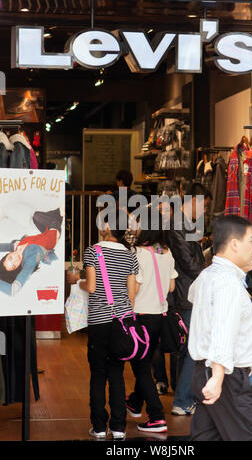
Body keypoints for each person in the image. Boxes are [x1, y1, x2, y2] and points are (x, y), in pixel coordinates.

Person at [188, 214, 252, 441]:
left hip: (205, 371)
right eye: (251, 240)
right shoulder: (227, 283)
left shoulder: (207, 275)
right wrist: (219, 375)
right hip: (226, 377)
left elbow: (193, 297)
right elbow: (223, 328)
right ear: (234, 244)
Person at [68, 209, 139, 440]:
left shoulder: (92, 251)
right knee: (117, 373)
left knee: (98, 373)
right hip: (123, 320)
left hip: (99, 321)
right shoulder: (130, 255)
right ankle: (118, 428)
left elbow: (91, 287)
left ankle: (99, 427)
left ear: (108, 227)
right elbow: (131, 294)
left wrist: (76, 281)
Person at [126, 207, 178, 433]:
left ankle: (156, 416)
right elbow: (171, 286)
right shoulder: (165, 251)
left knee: (140, 368)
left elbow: (133, 290)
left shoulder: (137, 253)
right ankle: (135, 402)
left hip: (140, 317)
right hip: (159, 317)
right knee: (144, 363)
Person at [165, 183, 210, 415]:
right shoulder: (176, 225)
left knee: (187, 349)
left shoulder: (184, 224)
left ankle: (184, 397)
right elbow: (188, 262)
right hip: (186, 293)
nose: (203, 212)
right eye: (203, 206)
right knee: (194, 348)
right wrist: (209, 273)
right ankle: (182, 399)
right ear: (194, 200)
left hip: (188, 292)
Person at [0, 208, 63, 296]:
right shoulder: (30, 260)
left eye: (10, 258)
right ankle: (60, 214)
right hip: (54, 232)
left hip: (45, 232)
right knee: (58, 213)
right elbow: (12, 291)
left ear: (8, 254)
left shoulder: (16, 247)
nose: (16, 259)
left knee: (36, 216)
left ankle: (58, 215)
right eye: (14, 265)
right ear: (17, 268)